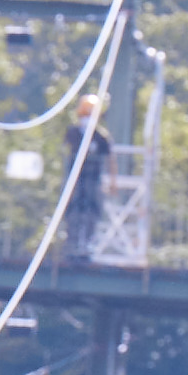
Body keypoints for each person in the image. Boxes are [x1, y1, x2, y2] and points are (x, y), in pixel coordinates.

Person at [63, 94, 113, 260]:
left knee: (92, 211)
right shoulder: (74, 132)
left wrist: (113, 181)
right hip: (76, 180)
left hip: (93, 180)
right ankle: (72, 244)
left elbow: (110, 158)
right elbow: (67, 150)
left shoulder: (101, 136)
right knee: (74, 210)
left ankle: (88, 245)